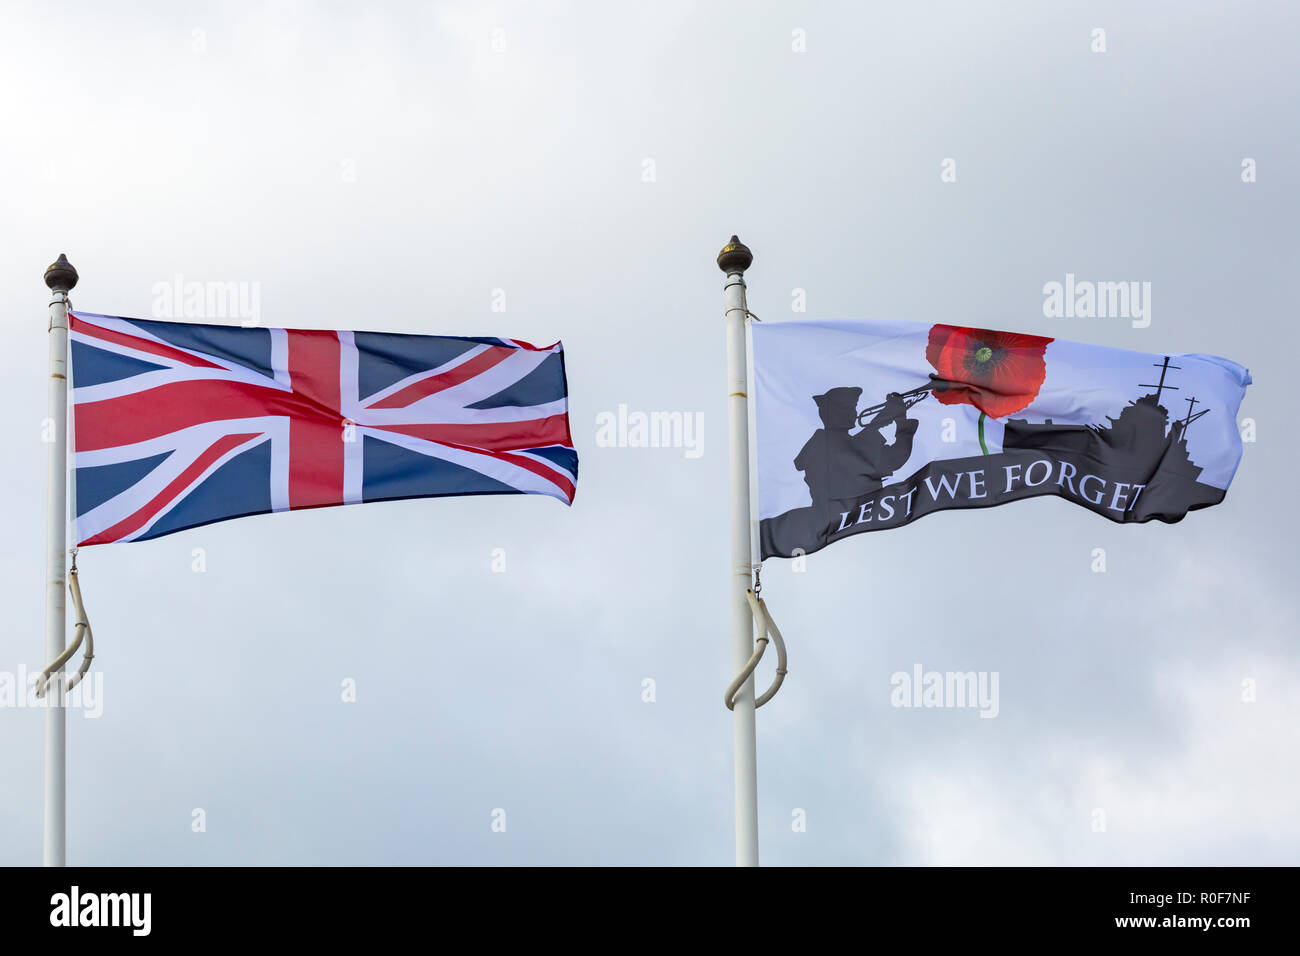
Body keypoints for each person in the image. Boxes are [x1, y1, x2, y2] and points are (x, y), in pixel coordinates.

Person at [794, 386, 918, 526]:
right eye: (847, 409)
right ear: (833, 413)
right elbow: (849, 455)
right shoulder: (820, 441)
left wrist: (900, 423)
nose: (853, 413)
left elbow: (894, 459)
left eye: (853, 408)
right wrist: (884, 418)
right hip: (837, 522)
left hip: (863, 520)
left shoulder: (854, 445)